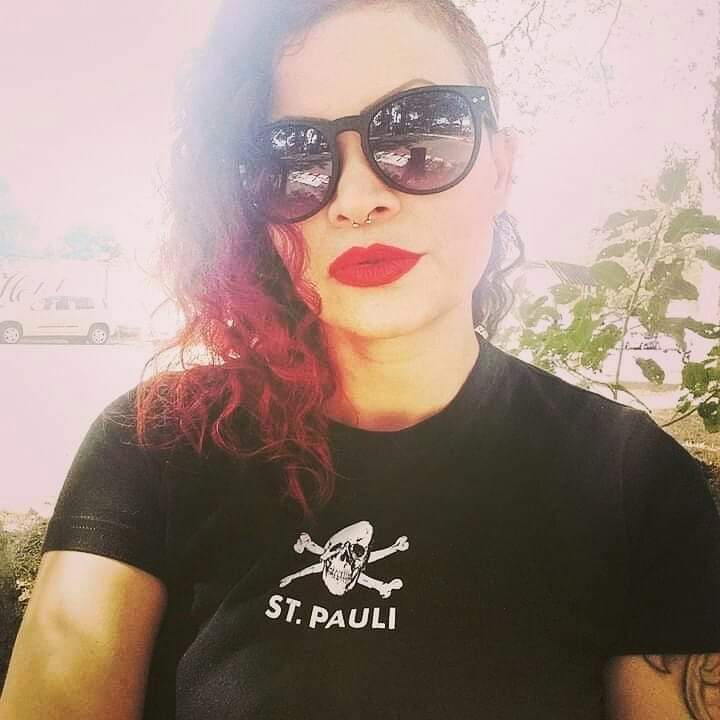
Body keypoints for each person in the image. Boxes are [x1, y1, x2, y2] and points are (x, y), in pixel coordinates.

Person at [2, 1, 720, 718]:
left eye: (418, 136)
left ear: (501, 166)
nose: (355, 198)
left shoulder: (636, 484)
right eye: (294, 158)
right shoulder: (154, 444)